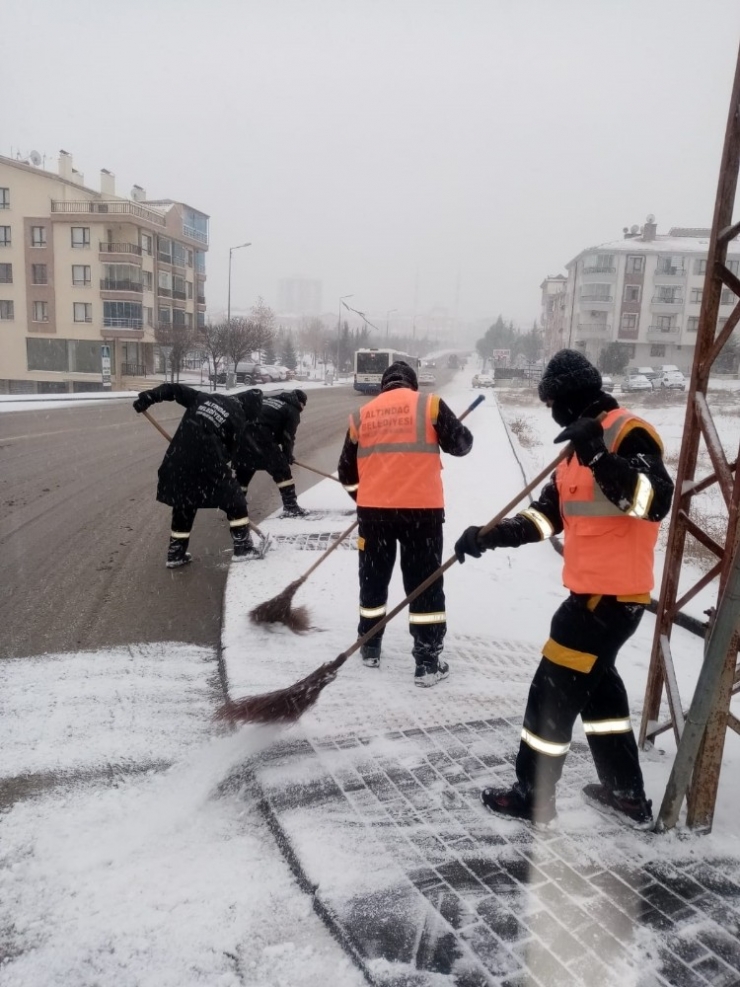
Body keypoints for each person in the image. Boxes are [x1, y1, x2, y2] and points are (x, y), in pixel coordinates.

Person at [454, 349, 674, 827]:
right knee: (601, 695)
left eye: (553, 401)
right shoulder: (573, 449)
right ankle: (625, 795)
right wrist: (490, 535)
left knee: (550, 694)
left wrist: (599, 454)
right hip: (596, 595)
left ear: (571, 397)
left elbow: (653, 502)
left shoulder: (626, 433)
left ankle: (533, 797)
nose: (550, 410)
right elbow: (546, 516)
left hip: (609, 599)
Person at [338, 361, 473, 687]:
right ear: (411, 384)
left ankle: (369, 646)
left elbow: (345, 472)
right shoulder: (430, 405)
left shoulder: (361, 415)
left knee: (373, 580)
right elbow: (462, 446)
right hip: (421, 515)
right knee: (424, 584)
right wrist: (449, 433)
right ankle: (427, 662)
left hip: (374, 515)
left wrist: (364, 498)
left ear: (384, 385)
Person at [133, 383, 264, 567]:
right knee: (236, 502)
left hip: (176, 460)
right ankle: (243, 548)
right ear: (250, 410)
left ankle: (175, 554)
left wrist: (150, 397)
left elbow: (174, 390)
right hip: (207, 465)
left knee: (184, 503)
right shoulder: (239, 418)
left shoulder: (205, 398)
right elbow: (229, 453)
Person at [233, 389, 309, 518]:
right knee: (283, 473)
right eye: (303, 405)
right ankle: (290, 506)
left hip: (241, 439)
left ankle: (235, 507)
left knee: (242, 476)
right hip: (263, 441)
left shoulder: (268, 399)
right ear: (300, 402)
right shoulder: (292, 410)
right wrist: (287, 455)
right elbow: (287, 436)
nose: (302, 408)